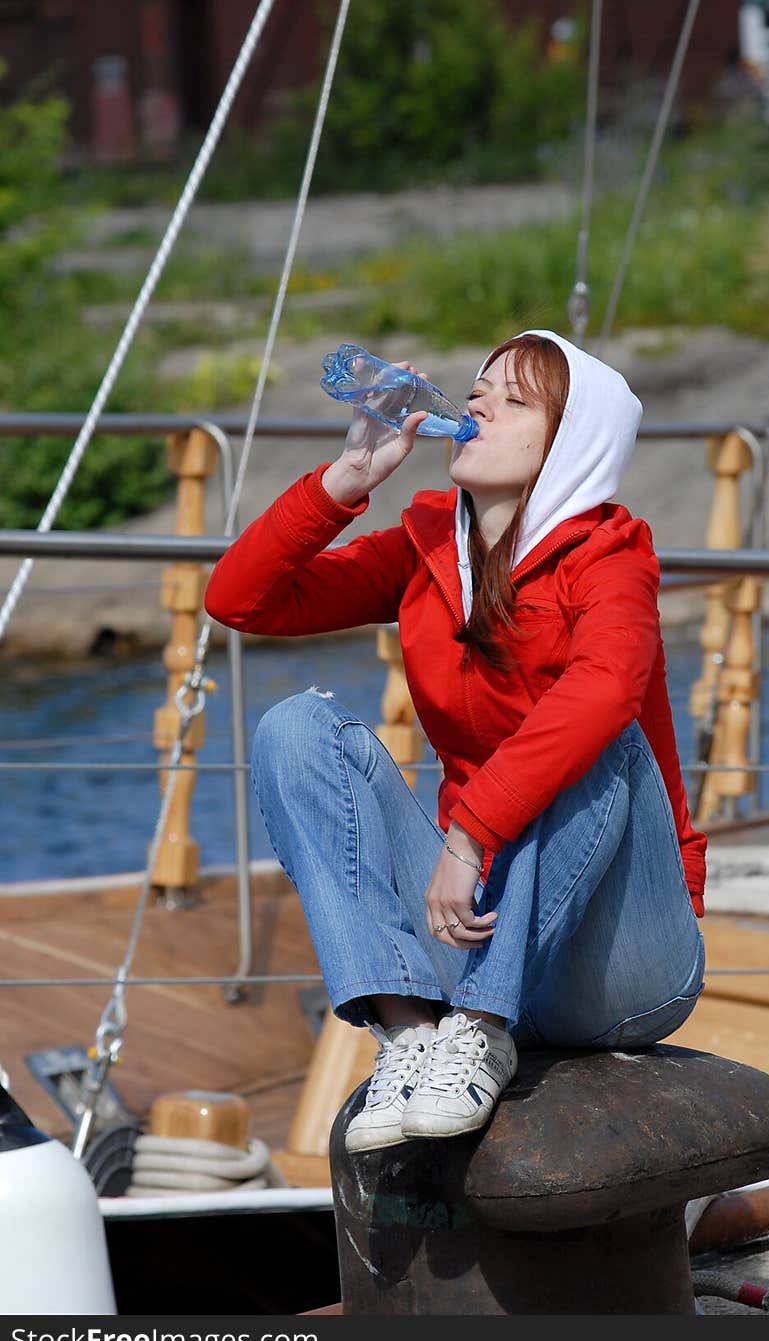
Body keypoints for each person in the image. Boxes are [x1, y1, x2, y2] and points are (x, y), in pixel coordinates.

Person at [204, 328, 707, 1156]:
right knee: (295, 727)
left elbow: (606, 687)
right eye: (478, 389)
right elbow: (243, 599)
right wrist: (347, 480)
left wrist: (470, 834)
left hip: (618, 960)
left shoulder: (611, 555)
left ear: (568, 443)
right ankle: (408, 1036)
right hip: (475, 934)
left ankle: (478, 1030)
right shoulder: (429, 544)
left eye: (514, 400)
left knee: (600, 734)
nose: (477, 404)